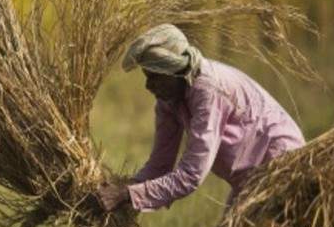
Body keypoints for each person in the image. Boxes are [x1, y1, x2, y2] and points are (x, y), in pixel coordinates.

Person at [96, 24, 305, 213]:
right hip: (248, 178)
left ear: (175, 70)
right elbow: (160, 164)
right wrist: (127, 189)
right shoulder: (169, 100)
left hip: (280, 163)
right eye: (147, 77)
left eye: (155, 77)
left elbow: (191, 174)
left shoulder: (208, 91)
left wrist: (127, 195)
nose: (148, 86)